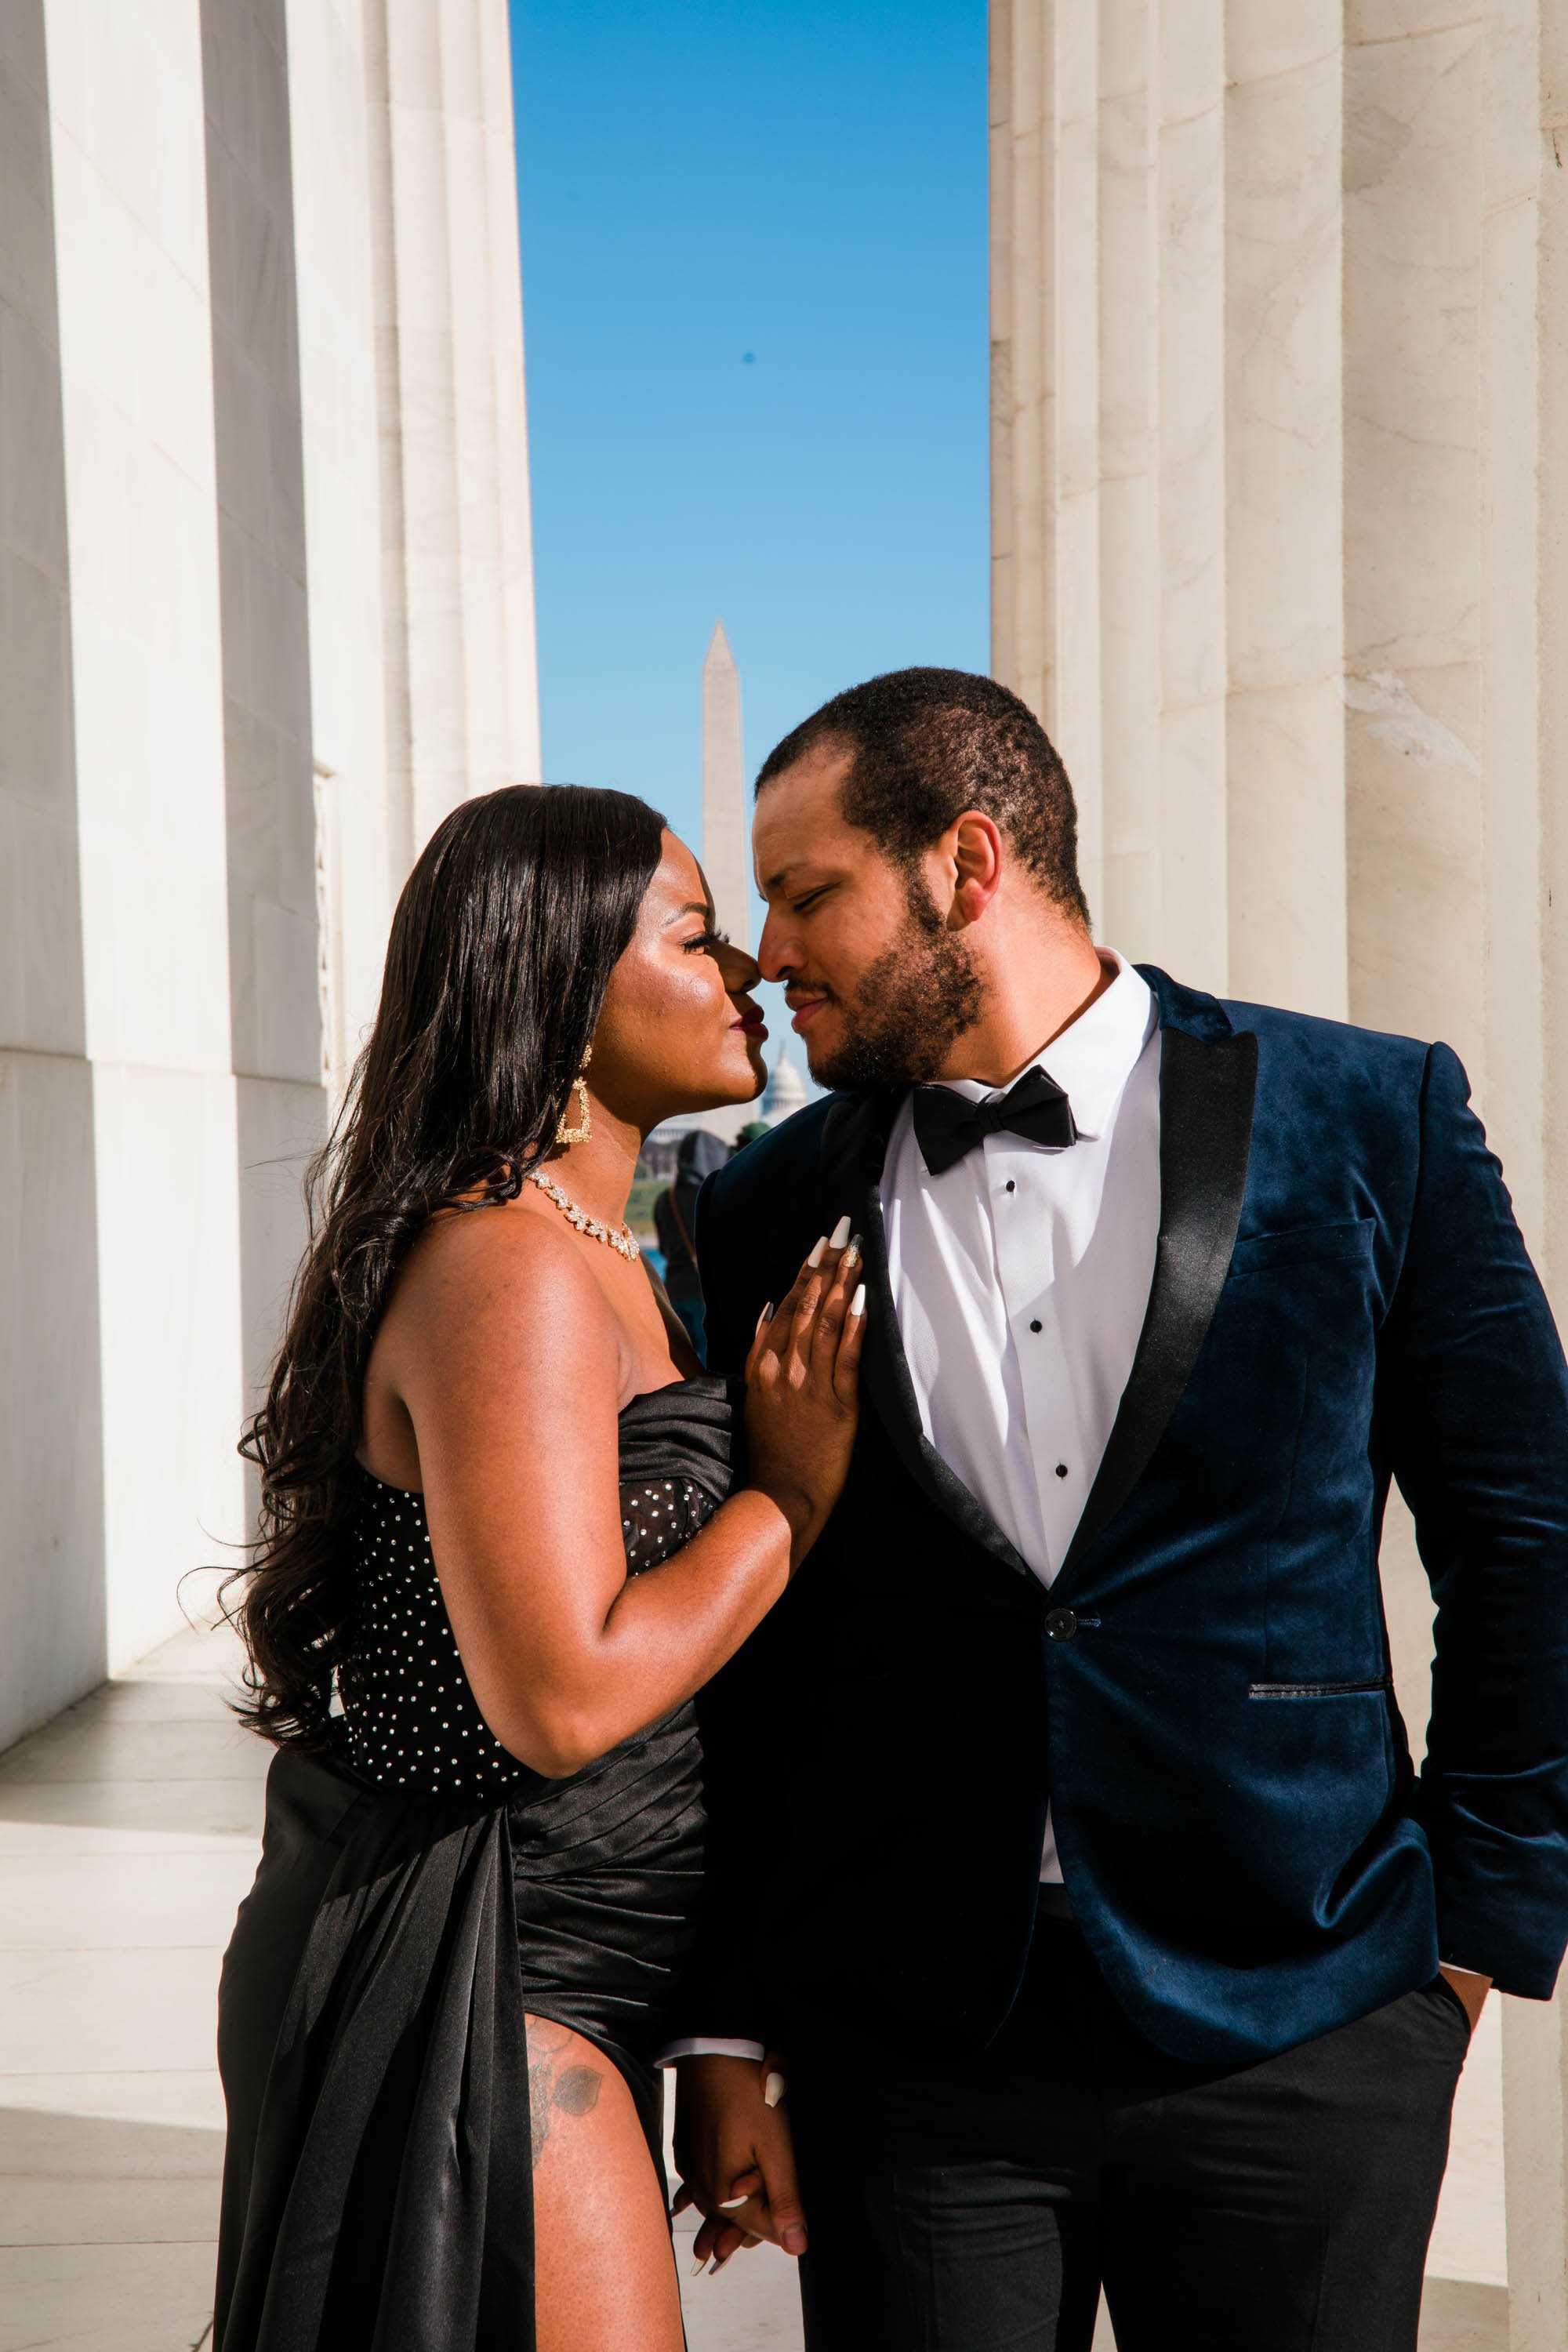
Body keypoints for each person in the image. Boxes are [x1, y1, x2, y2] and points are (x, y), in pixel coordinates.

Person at [672, 669, 1568, 2351]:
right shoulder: (772, 1205)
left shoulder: (1367, 1114)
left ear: (967, 863)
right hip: (913, 2040)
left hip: (1307, 2015)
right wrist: (726, 2026)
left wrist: (1469, 1946)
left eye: (807, 894)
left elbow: (1523, 1537)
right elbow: (767, 1656)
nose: (768, 952)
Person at [212, 784, 866, 2352]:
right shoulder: (508, 1265)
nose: (750, 976)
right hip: (484, 1965)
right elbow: (566, 1697)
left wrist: (715, 2033)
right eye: (700, 940)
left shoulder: (599, 1252)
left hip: (577, 1958)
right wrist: (784, 1499)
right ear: (564, 987)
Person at [652, 1128, 728, 1354]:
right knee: (709, 1362)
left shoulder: (666, 1199)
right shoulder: (713, 1194)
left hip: (673, 1290)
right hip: (706, 1293)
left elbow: (664, 1248)